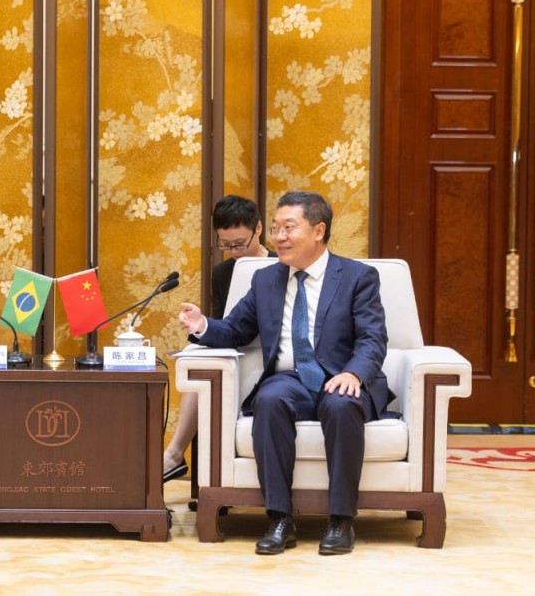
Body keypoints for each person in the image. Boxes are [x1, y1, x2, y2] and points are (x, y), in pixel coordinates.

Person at [178, 191, 389, 556]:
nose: (279, 237)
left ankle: (341, 520)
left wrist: (354, 374)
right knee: (270, 399)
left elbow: (373, 337)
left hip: (341, 376)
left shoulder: (357, 277)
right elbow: (236, 330)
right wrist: (202, 326)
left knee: (340, 403)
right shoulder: (265, 280)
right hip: (291, 379)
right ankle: (279, 519)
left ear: (318, 231)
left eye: (289, 228)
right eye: (275, 228)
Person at [163, 195, 273, 482]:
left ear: (258, 229)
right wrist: (200, 324)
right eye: (225, 245)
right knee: (199, 360)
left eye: (240, 243)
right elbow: (223, 325)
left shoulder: (280, 265)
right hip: (233, 351)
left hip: (270, 355)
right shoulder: (222, 272)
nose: (234, 251)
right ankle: (175, 454)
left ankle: (175, 455)